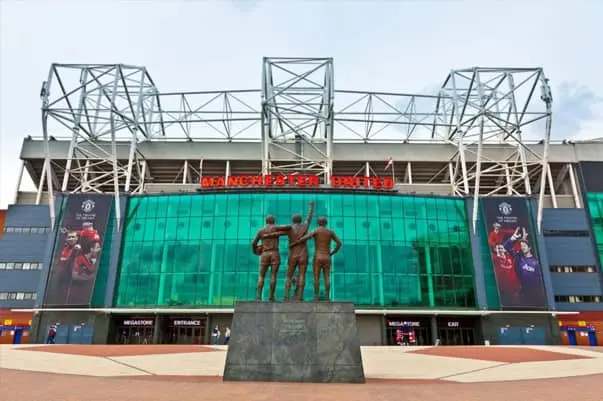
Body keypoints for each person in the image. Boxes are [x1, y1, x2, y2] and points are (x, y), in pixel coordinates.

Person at [290, 217, 342, 301]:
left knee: (316, 278)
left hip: (318, 256)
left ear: (318, 222)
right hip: (327, 256)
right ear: (326, 222)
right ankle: (327, 297)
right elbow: (339, 243)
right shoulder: (330, 232)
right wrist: (332, 252)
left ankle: (316, 297)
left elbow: (306, 237)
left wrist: (297, 240)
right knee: (327, 277)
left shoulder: (316, 230)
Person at [251, 215, 293, 301]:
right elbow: (289, 227)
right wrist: (276, 232)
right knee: (273, 276)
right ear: (273, 221)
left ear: (266, 221)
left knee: (261, 276)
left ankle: (258, 297)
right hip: (274, 253)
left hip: (265, 254)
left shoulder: (261, 230)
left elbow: (253, 242)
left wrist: (255, 251)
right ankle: (271, 296)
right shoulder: (275, 227)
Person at [503, 227, 545, 307]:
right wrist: (513, 237)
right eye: (521, 246)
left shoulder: (536, 261)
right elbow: (506, 247)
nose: (522, 247)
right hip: (521, 293)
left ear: (529, 248)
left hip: (535, 295)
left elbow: (540, 280)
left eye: (524, 246)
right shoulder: (518, 257)